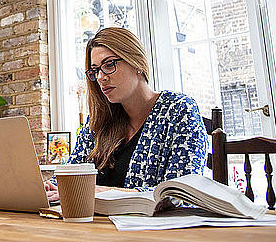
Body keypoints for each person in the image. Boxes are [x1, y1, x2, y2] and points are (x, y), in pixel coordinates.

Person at [45, 27, 207, 202]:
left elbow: (181, 194)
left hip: (152, 228)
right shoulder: (99, 120)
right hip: (97, 226)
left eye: (109, 65)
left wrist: (98, 192)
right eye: (95, 71)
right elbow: (71, 173)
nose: (100, 77)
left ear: (136, 62)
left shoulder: (179, 110)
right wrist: (47, 187)